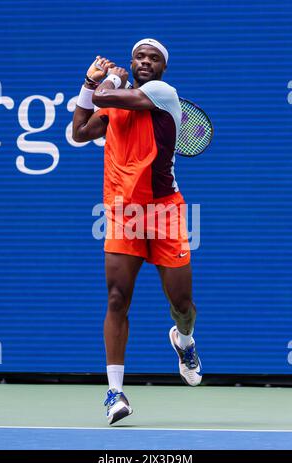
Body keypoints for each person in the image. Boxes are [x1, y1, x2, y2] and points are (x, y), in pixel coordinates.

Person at [73, 38, 202, 425]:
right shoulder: (117, 103)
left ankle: (183, 339)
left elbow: (103, 100)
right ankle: (114, 392)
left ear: (163, 67)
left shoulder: (163, 93)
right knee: (117, 299)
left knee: (182, 304)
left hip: (164, 210)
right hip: (123, 211)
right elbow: (80, 132)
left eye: (153, 58)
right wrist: (88, 82)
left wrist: (105, 80)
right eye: (139, 57)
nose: (145, 61)